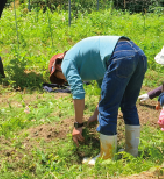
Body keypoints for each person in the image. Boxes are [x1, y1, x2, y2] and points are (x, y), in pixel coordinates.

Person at [48, 35, 147, 164]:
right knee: (128, 105)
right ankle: (131, 152)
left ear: (58, 66)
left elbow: (78, 92)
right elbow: (104, 92)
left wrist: (78, 125)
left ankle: (107, 158)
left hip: (119, 54)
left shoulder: (67, 62)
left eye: (60, 76)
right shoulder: (92, 61)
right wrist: (96, 114)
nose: (64, 79)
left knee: (108, 108)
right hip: (137, 53)